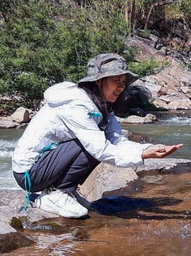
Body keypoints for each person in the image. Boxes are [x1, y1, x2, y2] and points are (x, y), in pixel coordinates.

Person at [12, 53, 182, 218]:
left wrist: (148, 149)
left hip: (48, 166)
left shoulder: (102, 106)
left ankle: (66, 190)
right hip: (30, 173)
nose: (121, 87)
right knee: (92, 142)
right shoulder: (76, 105)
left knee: (97, 139)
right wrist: (141, 155)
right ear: (99, 81)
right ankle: (57, 193)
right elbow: (100, 148)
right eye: (116, 81)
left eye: (124, 82)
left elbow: (117, 140)